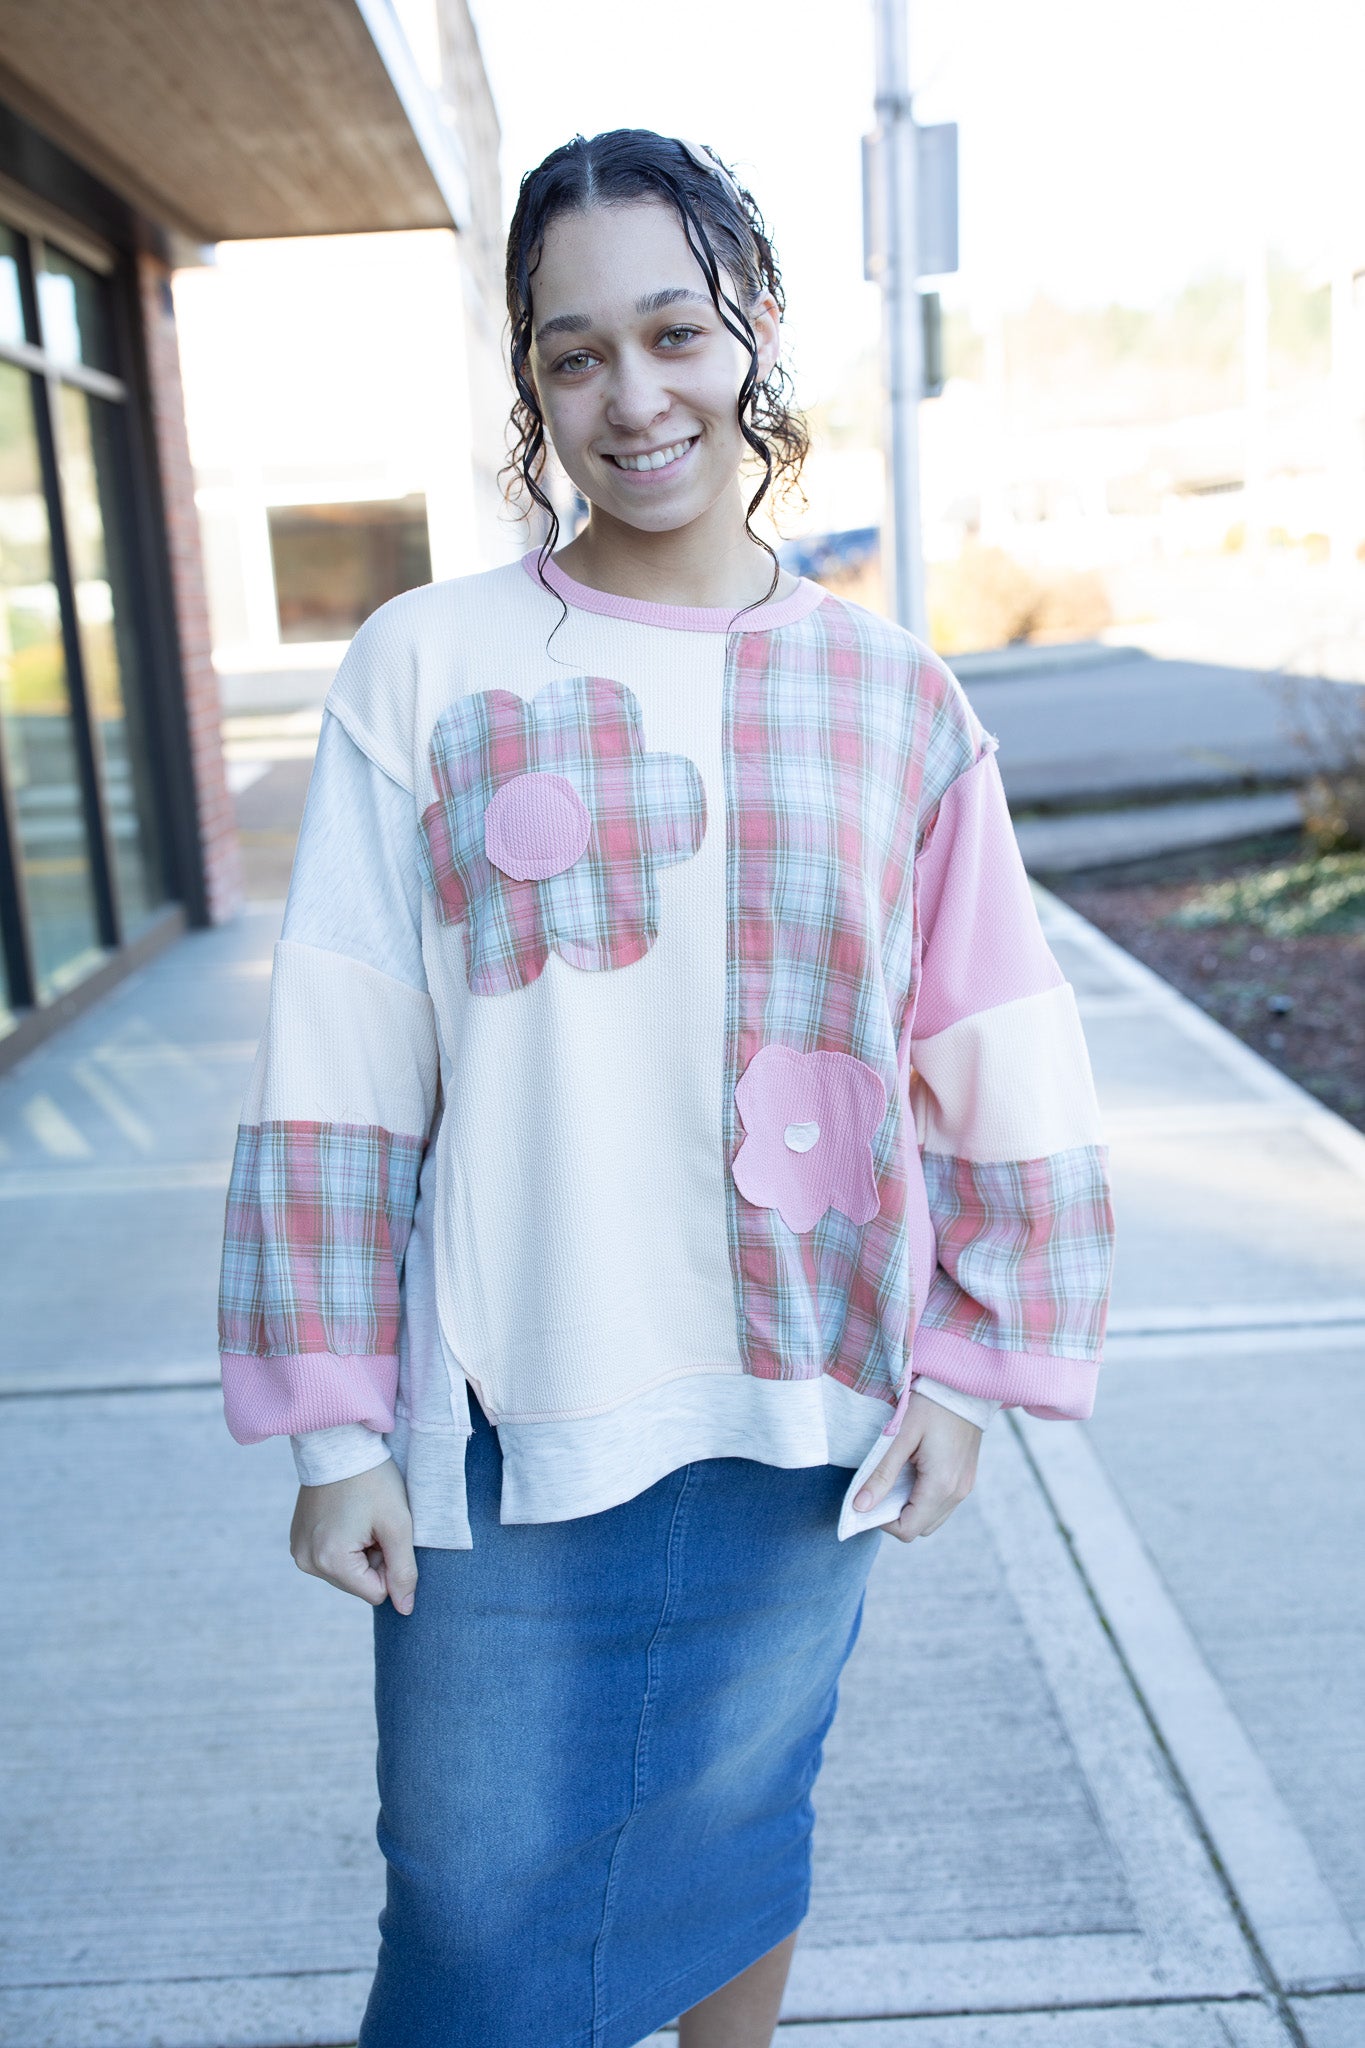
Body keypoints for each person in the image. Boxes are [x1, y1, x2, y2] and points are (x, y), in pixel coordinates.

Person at [217, 129, 1115, 2048]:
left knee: (734, 1825)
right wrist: (330, 1430)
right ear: (529, 382)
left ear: (754, 332)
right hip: (500, 1411)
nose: (633, 397)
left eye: (673, 332)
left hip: (801, 1404)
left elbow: (999, 1050)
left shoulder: (897, 697)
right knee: (465, 1893)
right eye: (574, 354)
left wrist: (972, 1370)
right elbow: (339, 1065)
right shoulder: (425, 662)